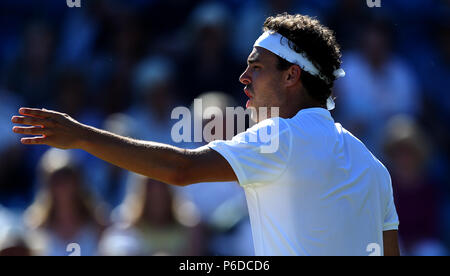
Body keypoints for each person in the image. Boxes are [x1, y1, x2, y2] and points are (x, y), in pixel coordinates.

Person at [11, 13, 399, 256]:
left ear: (291, 75)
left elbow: (180, 169)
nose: (244, 77)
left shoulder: (281, 136)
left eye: (256, 67)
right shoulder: (374, 166)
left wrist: (81, 136)